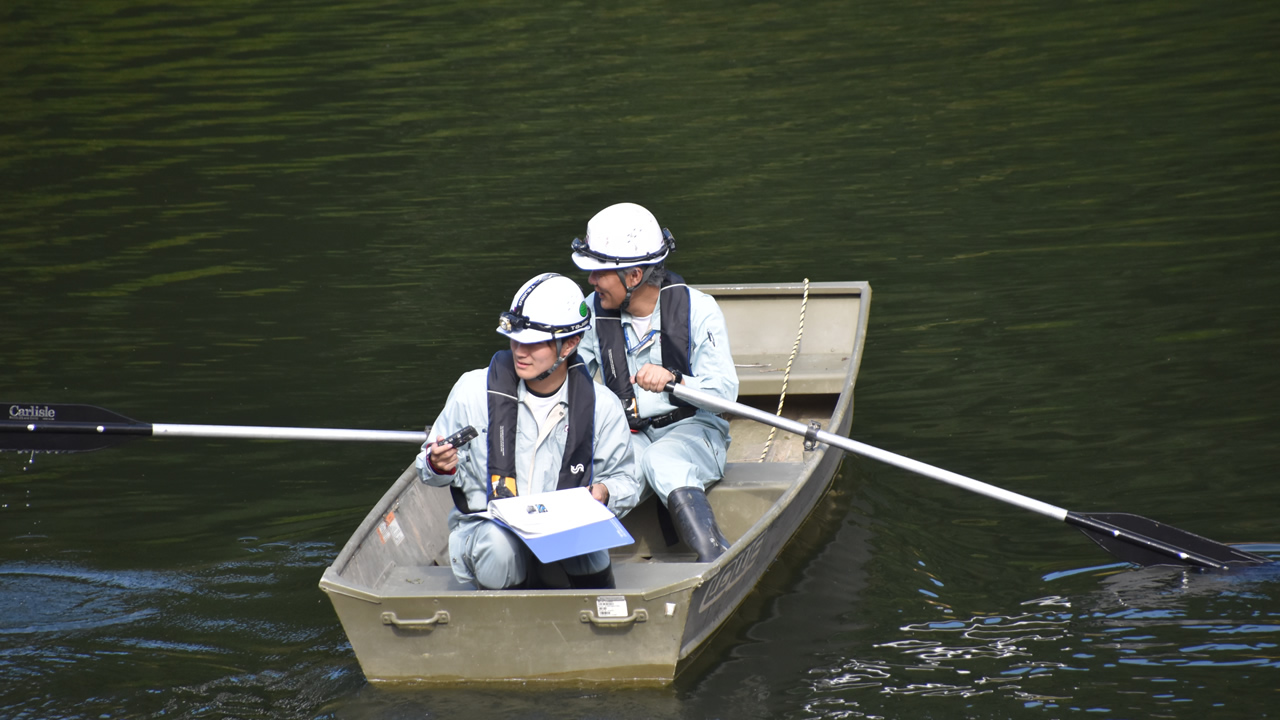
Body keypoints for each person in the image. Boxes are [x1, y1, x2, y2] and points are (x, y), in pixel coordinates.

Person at [416, 273, 641, 590]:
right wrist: (438, 464)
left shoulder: (602, 406)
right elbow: (426, 470)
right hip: (490, 530)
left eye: (533, 342)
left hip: (561, 529)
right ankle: (505, 620)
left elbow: (626, 481)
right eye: (515, 339)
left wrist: (605, 493)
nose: (520, 351)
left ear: (570, 344)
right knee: (497, 546)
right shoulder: (471, 390)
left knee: (589, 552)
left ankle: (598, 617)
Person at [569, 202, 739, 562]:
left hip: (695, 429)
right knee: (598, 473)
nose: (591, 281)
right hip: (631, 433)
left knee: (662, 459)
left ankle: (715, 555)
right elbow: (571, 378)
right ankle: (566, 559)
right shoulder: (592, 311)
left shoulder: (700, 309)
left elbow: (725, 395)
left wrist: (674, 379)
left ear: (633, 277)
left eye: (600, 273)